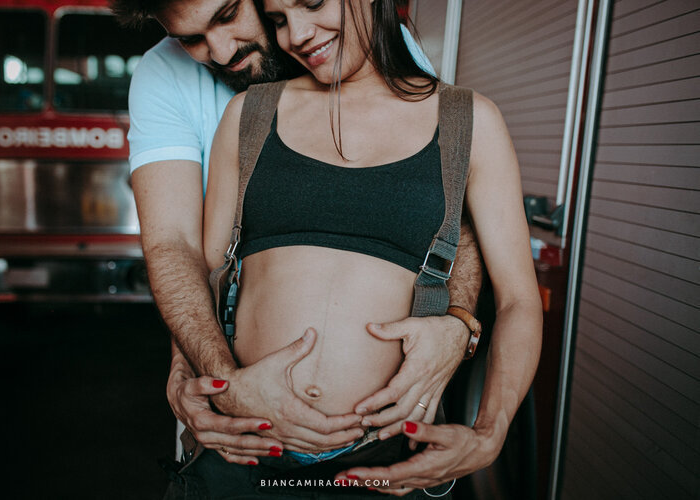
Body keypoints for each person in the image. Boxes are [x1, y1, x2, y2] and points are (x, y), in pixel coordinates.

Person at [110, 0, 493, 495]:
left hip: (379, 445)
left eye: (227, 15)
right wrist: (211, 376)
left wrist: (458, 323)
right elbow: (177, 246)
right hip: (239, 429)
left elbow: (447, 201)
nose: (220, 52)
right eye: (191, 39)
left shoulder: (362, 37)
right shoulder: (165, 75)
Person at [194, 0, 542, 496]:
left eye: (312, 3)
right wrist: (196, 380)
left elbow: (518, 301)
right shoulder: (249, 114)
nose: (296, 34)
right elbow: (205, 274)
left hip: (384, 461)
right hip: (247, 447)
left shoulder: (470, 122)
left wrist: (490, 432)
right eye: (278, 19)